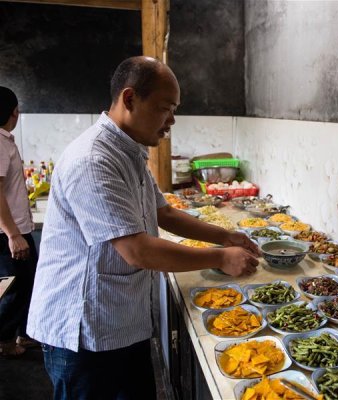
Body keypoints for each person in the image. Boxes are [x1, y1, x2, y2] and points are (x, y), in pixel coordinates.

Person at [26, 56, 259, 399]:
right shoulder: (93, 159)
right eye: (166, 108)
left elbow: (165, 213)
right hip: (84, 334)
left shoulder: (128, 152)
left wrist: (226, 235)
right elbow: (136, 250)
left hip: (121, 324)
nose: (172, 121)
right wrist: (221, 257)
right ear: (130, 99)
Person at [0, 86, 39, 357]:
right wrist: (13, 234)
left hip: (18, 230)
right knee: (14, 288)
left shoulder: (6, 141)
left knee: (28, 284)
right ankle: (4, 341)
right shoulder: (0, 144)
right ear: (14, 112)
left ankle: (24, 335)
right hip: (9, 233)